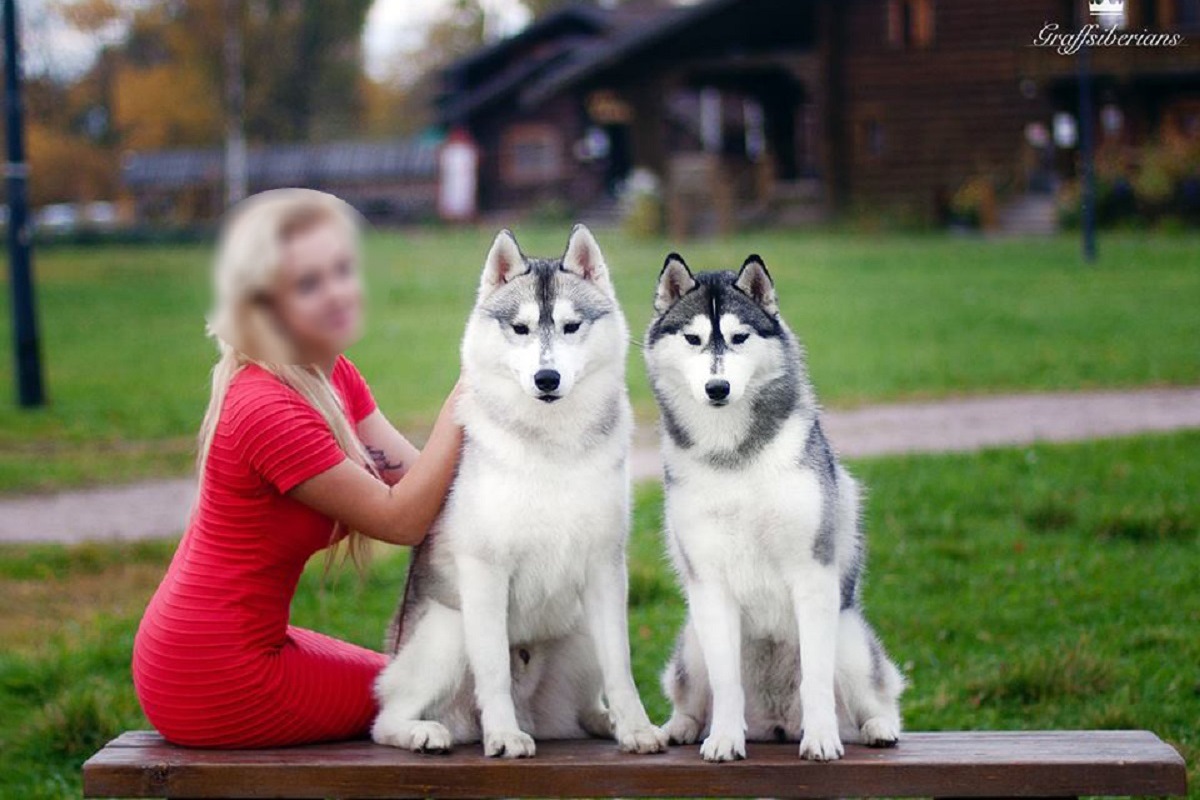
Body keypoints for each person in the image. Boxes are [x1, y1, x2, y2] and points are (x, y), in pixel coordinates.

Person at [132, 188, 462, 748]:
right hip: (212, 673)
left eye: (341, 270)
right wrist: (469, 390)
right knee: (429, 694)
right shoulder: (267, 407)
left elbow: (422, 481)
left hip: (245, 645)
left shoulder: (330, 377)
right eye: (309, 284)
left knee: (413, 677)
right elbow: (401, 520)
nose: (337, 292)